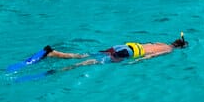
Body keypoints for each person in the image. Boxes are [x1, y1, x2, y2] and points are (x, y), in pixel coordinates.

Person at [43, 32, 189, 68]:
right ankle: (68, 67)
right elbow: (150, 56)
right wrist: (134, 62)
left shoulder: (161, 42)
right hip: (129, 53)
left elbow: (147, 43)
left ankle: (55, 53)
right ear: (179, 48)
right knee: (94, 62)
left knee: (90, 54)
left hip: (124, 46)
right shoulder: (168, 50)